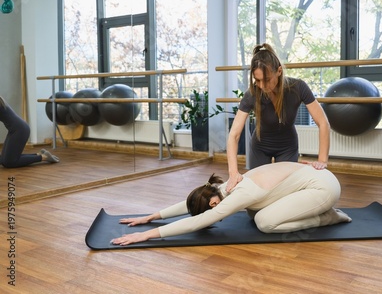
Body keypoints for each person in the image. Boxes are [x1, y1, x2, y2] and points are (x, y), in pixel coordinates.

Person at [111, 161, 351, 246]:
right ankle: (319, 210)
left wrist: (147, 235)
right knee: (252, 213)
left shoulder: (238, 193)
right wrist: (152, 216)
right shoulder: (222, 187)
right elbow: (191, 205)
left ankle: (328, 217)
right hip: (311, 181)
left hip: (323, 188)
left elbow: (200, 220)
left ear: (214, 203)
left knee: (264, 222)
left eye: (211, 209)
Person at [226, 43, 331, 192]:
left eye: (267, 79)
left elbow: (323, 123)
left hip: (287, 147)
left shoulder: (298, 87)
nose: (262, 85)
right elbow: (234, 135)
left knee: (284, 191)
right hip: (260, 147)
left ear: (279, 71)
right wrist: (233, 173)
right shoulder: (252, 94)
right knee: (259, 193)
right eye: (258, 80)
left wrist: (322, 160)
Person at [0, 96, 59, 168]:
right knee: (2, 159)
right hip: (15, 130)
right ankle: (38, 154)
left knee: (9, 162)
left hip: (20, 130)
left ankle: (43, 157)